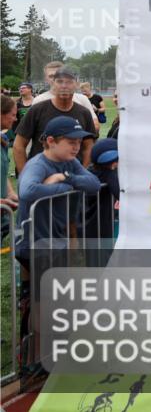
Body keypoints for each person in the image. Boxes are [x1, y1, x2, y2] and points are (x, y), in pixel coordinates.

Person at [14, 115, 101, 381]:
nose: (77, 147)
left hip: (56, 242)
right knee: (44, 302)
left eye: (79, 142)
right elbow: (27, 190)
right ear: (50, 141)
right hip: (36, 244)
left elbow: (93, 184)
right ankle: (34, 358)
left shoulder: (69, 163)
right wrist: (68, 184)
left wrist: (64, 178)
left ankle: (46, 352)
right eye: (70, 141)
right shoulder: (38, 164)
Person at [14, 68, 98, 173]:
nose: (64, 86)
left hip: (73, 176)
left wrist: (83, 173)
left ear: (76, 85)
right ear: (53, 84)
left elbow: (88, 147)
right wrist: (24, 175)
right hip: (42, 175)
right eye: (60, 81)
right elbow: (19, 145)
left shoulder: (84, 113)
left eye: (69, 82)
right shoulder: (37, 109)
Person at [32, 61, 99, 132]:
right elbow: (30, 130)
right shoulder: (39, 100)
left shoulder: (82, 99)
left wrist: (74, 133)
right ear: (46, 79)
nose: (55, 78)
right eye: (51, 76)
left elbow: (95, 126)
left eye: (58, 75)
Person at [1, 96, 19, 238]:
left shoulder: (4, 140)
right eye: (12, 115)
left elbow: (2, 173)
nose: (15, 119)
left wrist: (10, 193)